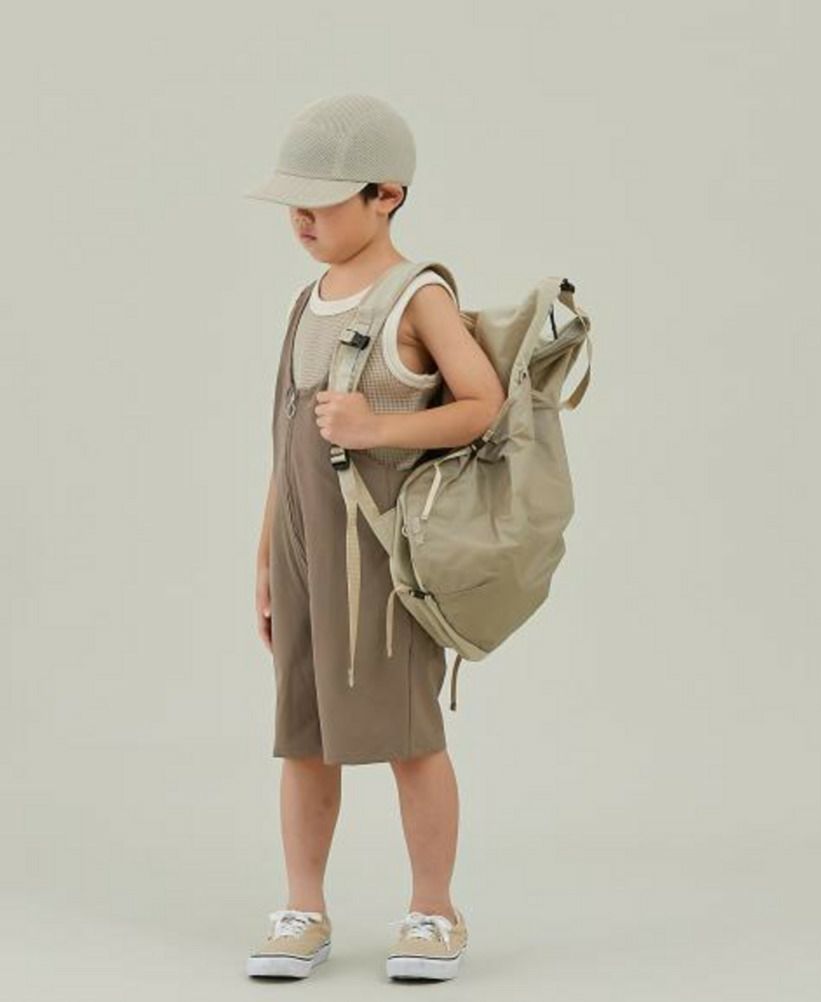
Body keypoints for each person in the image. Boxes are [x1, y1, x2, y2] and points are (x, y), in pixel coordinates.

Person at [241, 93, 504, 982]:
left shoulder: (416, 295)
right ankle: (302, 908)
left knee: (408, 734)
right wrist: (266, 556)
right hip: (305, 555)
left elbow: (482, 403)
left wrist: (377, 428)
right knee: (303, 733)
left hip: (382, 561)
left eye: (320, 200)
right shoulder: (306, 300)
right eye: (294, 202)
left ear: (386, 195)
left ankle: (434, 911)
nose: (301, 219)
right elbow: (286, 445)